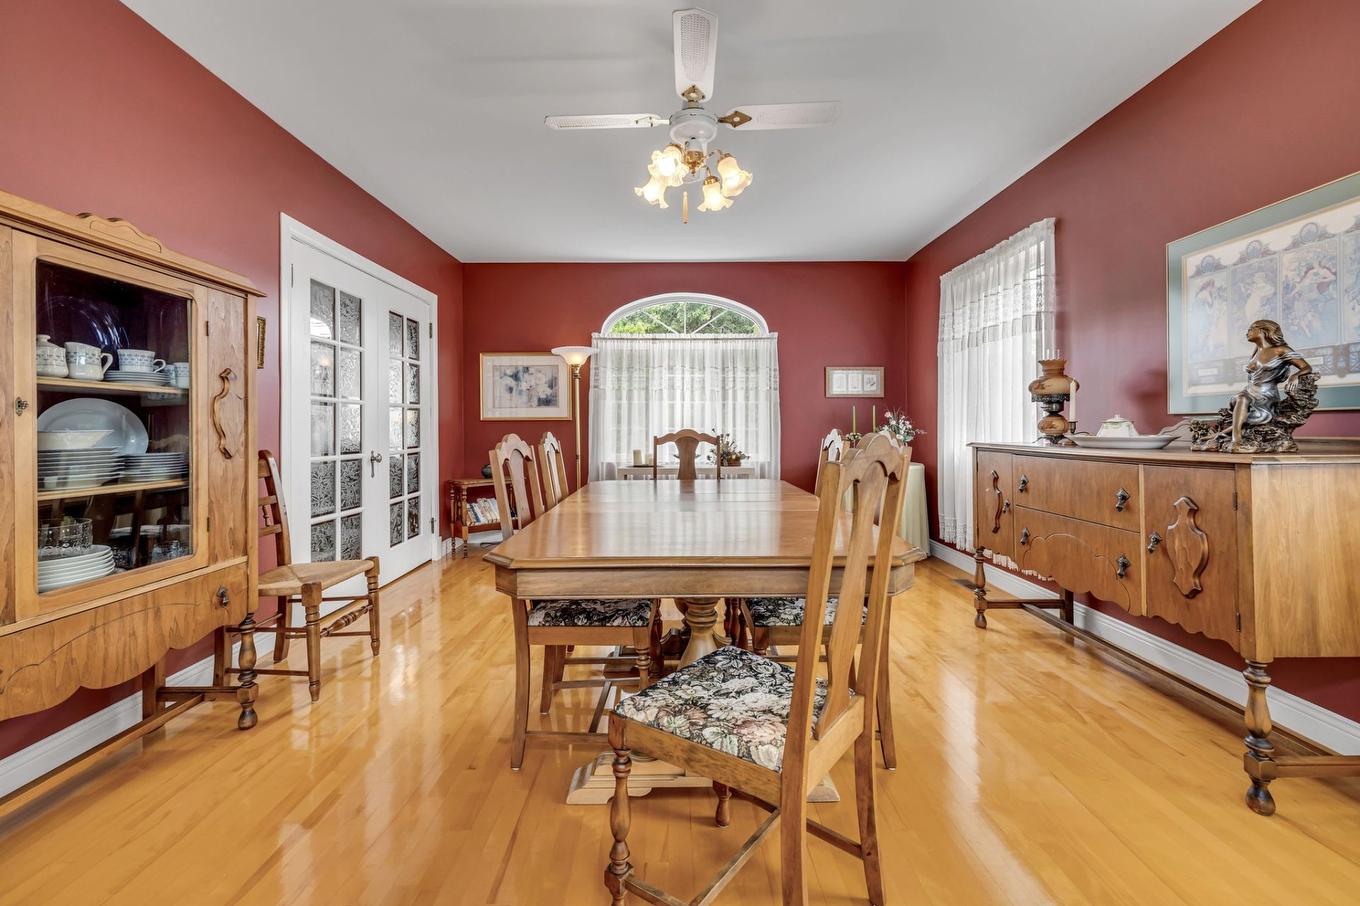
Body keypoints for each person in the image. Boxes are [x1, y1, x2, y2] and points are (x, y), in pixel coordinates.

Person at [1218, 319, 1313, 452]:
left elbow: (1306, 367)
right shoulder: (1256, 352)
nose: (1247, 332)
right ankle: (1230, 437)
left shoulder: (1281, 350)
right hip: (1249, 391)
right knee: (1241, 397)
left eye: (1251, 329)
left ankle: (1236, 439)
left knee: (1242, 398)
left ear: (1263, 331)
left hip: (1266, 396)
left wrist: (1294, 376)